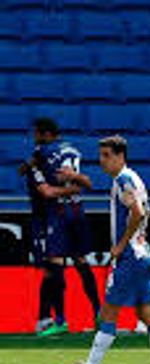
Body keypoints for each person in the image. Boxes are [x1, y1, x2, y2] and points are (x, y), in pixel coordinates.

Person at [58, 135, 150, 364]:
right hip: (144, 254)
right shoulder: (133, 178)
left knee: (108, 312)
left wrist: (120, 244)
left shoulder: (124, 180)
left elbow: (137, 212)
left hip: (130, 255)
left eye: (106, 156)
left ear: (120, 156)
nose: (102, 161)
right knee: (146, 314)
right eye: (101, 156)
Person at [20, 118, 99, 336]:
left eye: (36, 134)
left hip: (54, 216)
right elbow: (88, 184)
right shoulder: (71, 150)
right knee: (79, 262)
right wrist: (74, 185)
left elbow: (46, 191)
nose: (34, 138)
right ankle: (97, 314)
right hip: (75, 211)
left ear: (45, 134)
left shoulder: (41, 156)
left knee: (53, 266)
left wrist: (31, 166)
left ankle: (57, 320)